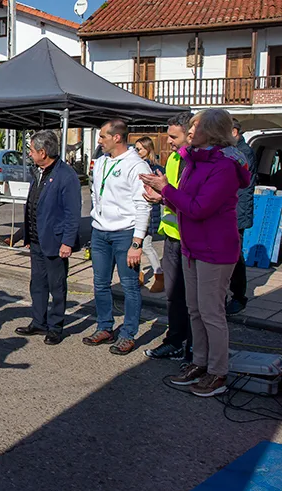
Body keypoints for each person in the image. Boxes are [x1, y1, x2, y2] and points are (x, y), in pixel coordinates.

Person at [141, 109, 250, 397]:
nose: (189, 132)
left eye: (195, 127)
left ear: (212, 132)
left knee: (212, 313)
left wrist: (167, 189)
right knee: (195, 309)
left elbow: (200, 208)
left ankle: (218, 372)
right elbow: (186, 203)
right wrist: (162, 197)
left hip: (215, 248)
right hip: (192, 245)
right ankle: (199, 363)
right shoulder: (194, 160)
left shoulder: (224, 166)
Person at [82, 119, 152, 355]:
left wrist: (137, 242)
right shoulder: (101, 162)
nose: (99, 141)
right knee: (100, 283)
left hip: (125, 233)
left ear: (117, 137)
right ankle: (104, 327)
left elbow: (143, 205)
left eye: (103, 136)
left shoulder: (137, 165)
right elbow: (96, 193)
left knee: (130, 285)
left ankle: (128, 334)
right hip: (100, 232)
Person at [15, 130, 82, 346]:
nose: (29, 154)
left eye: (32, 150)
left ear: (43, 152)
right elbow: (33, 204)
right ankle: (38, 322)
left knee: (57, 287)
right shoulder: (38, 172)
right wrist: (27, 235)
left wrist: (67, 242)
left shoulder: (66, 175)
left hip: (56, 241)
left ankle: (55, 327)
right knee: (38, 284)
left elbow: (73, 212)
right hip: (37, 240)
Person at [143, 112, 195, 362]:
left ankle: (194, 348)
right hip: (173, 237)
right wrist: (160, 194)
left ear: (190, 134)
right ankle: (174, 341)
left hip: (193, 239)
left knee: (194, 300)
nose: (169, 141)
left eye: (174, 136)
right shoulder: (174, 158)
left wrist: (163, 195)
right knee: (174, 295)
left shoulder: (199, 163)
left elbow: (192, 204)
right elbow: (173, 195)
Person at [226, 118, 257, 316]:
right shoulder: (233, 151)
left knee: (235, 256)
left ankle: (238, 296)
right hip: (232, 210)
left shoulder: (242, 152)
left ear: (234, 132)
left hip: (237, 211)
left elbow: (239, 185)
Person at [134, 136, 165, 293]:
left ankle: (159, 275)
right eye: (135, 149)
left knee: (146, 245)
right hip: (134, 212)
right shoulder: (134, 165)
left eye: (139, 149)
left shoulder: (154, 168)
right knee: (136, 245)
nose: (137, 152)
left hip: (149, 212)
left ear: (148, 149)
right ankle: (138, 274)